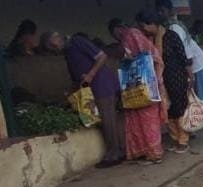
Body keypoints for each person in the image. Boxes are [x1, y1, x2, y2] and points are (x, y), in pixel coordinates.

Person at [62, 32, 125, 168]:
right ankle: (117, 151)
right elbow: (76, 77)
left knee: (108, 119)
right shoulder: (67, 52)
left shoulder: (77, 42)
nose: (53, 48)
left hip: (102, 85)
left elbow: (102, 56)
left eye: (52, 44)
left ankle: (114, 154)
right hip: (93, 88)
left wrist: (91, 74)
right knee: (107, 119)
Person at [109, 18, 165, 165]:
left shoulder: (131, 35)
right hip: (142, 84)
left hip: (143, 83)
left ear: (117, 29)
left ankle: (153, 153)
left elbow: (133, 56)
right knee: (139, 118)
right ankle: (147, 152)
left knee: (146, 119)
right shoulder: (135, 35)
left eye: (113, 33)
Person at [137, 10, 192, 154]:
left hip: (176, 77)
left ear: (153, 24)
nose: (143, 29)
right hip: (161, 81)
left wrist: (190, 75)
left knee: (179, 107)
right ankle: (175, 139)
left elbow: (183, 56)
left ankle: (183, 140)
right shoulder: (150, 40)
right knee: (168, 110)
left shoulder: (171, 36)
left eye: (144, 26)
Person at [156, 0, 203, 126]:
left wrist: (189, 73)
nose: (160, 14)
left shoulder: (174, 28)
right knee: (196, 97)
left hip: (196, 64)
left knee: (202, 96)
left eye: (162, 11)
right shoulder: (169, 26)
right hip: (189, 65)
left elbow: (185, 51)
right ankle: (200, 123)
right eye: (158, 11)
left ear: (169, 10)